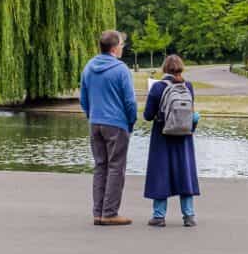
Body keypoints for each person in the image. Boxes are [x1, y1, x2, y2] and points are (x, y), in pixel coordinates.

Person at [80, 30, 138, 226]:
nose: (122, 48)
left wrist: (91, 115)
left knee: (100, 167)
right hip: (116, 123)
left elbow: (83, 99)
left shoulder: (89, 67)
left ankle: (98, 213)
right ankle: (110, 213)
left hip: (95, 122)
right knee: (116, 168)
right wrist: (131, 122)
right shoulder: (121, 69)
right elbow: (130, 102)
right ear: (114, 48)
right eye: (121, 45)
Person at [143, 54, 200, 227]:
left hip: (162, 135)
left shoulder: (158, 87)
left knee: (161, 172)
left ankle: (159, 216)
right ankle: (189, 216)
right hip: (184, 136)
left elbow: (147, 116)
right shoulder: (187, 86)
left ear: (164, 68)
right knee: (185, 172)